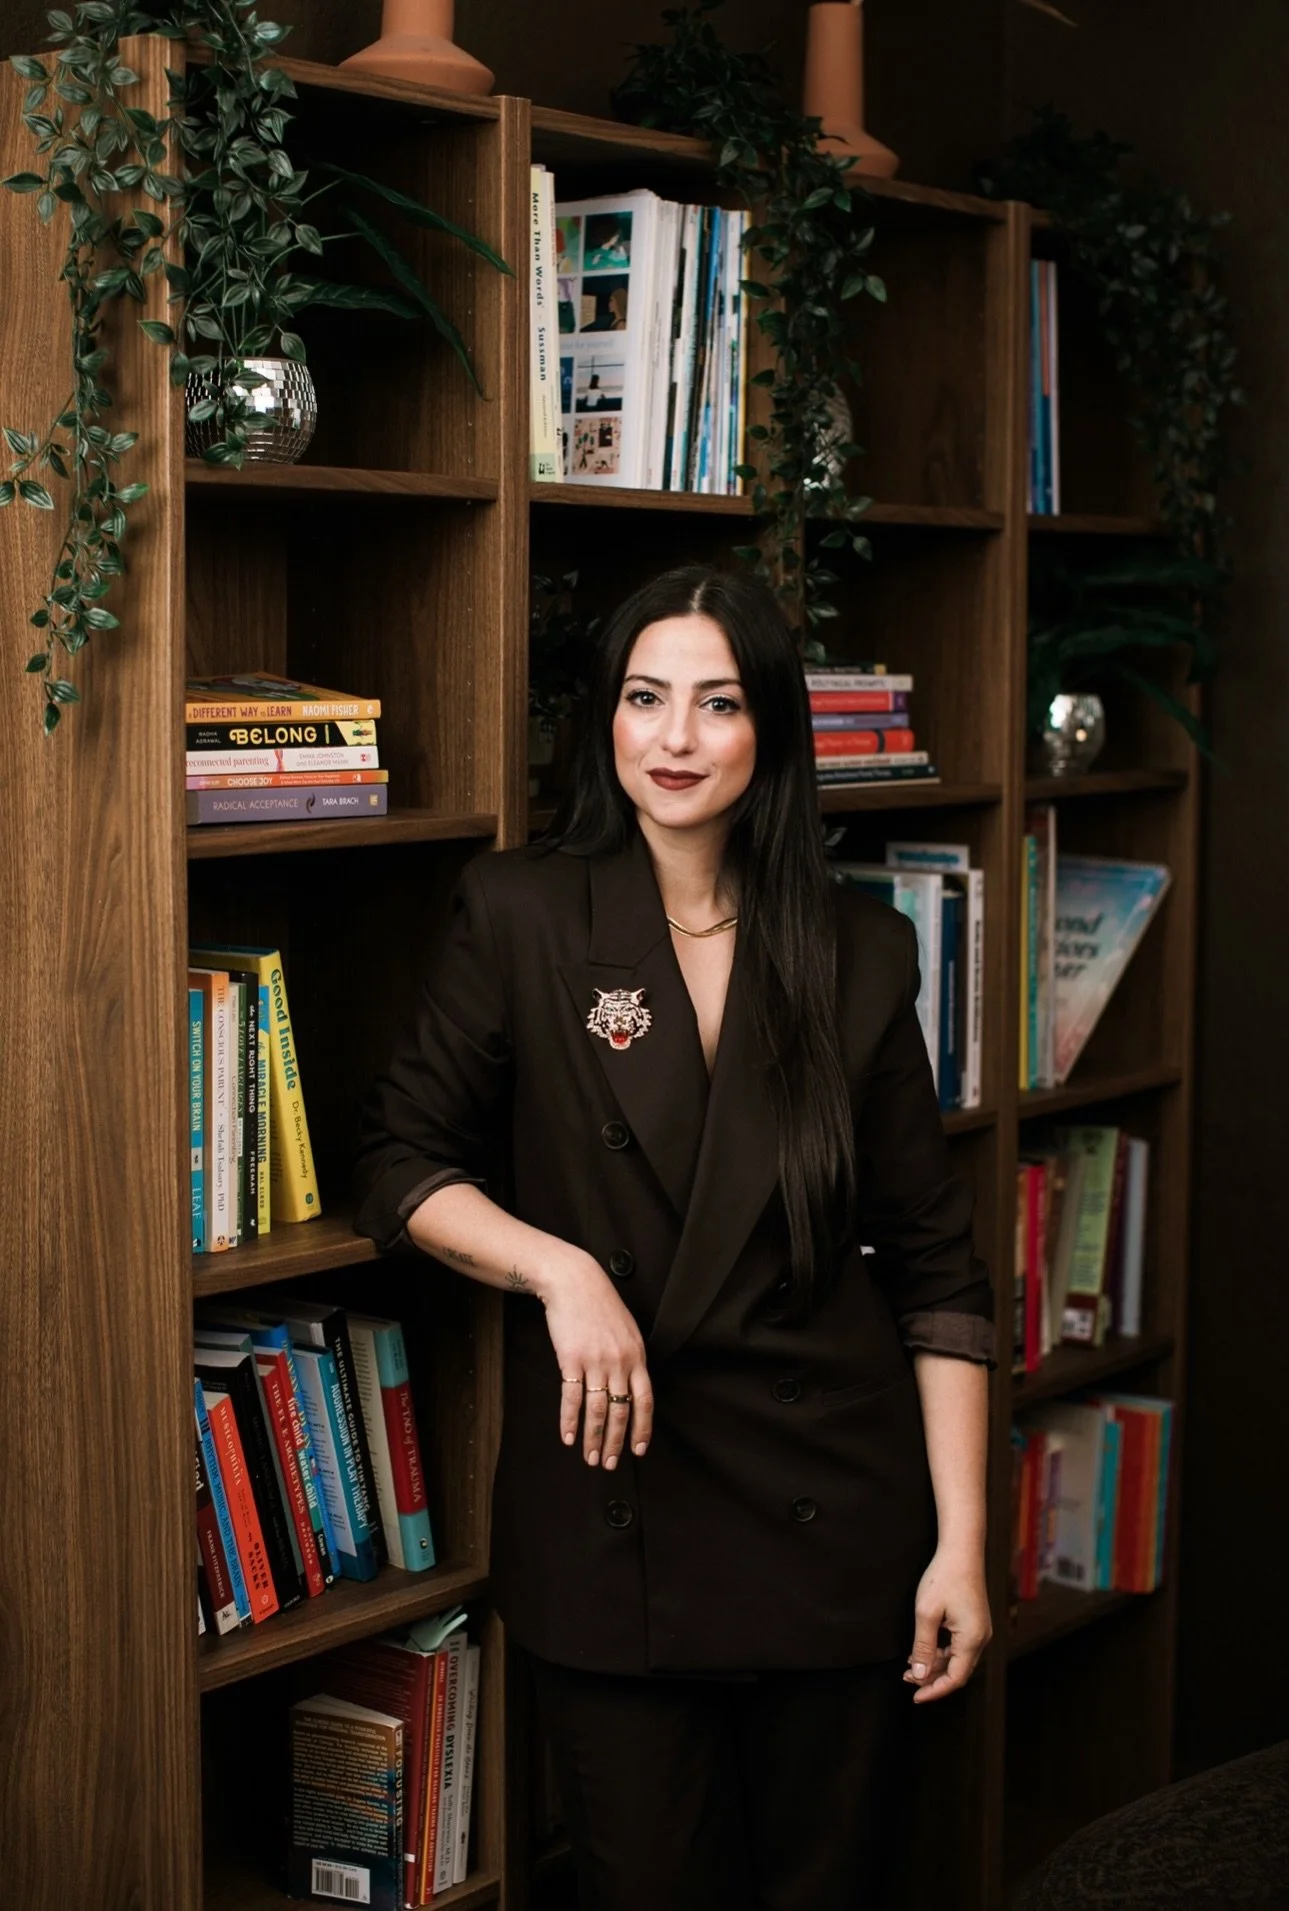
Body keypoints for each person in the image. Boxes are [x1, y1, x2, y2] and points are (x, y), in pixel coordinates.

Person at [353, 564, 997, 1911]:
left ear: (770, 730)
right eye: (646, 697)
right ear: (607, 717)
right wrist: (561, 1267)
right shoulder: (522, 912)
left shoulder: (861, 949)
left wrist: (960, 1543)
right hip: (614, 1516)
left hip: (837, 1525)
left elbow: (937, 1273)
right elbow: (404, 1167)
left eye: (717, 701)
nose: (675, 737)